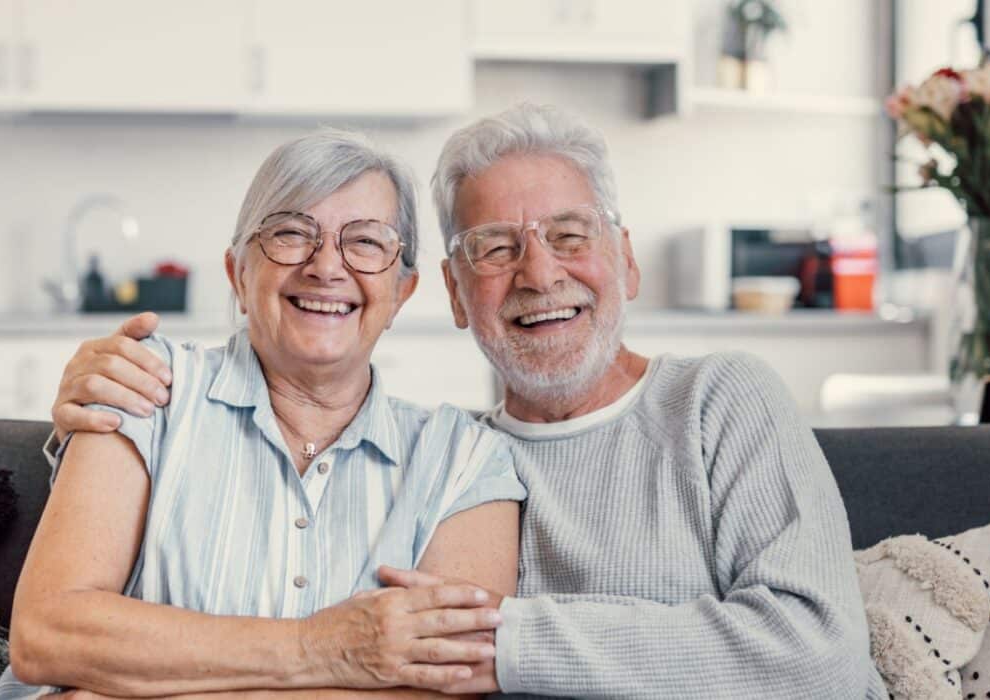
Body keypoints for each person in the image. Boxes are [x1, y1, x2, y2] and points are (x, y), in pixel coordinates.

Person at [51, 104, 887, 698]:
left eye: (569, 235)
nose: (539, 274)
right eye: (495, 247)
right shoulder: (464, 461)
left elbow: (820, 657)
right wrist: (84, 425)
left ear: (625, 261)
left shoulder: (718, 400)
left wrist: (506, 645)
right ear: (452, 294)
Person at [0, 129, 527, 699]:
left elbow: (448, 686)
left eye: (366, 243)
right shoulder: (146, 385)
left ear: (402, 292)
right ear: (238, 276)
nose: (326, 266)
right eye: (292, 233)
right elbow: (48, 635)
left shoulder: (464, 460)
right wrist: (325, 647)